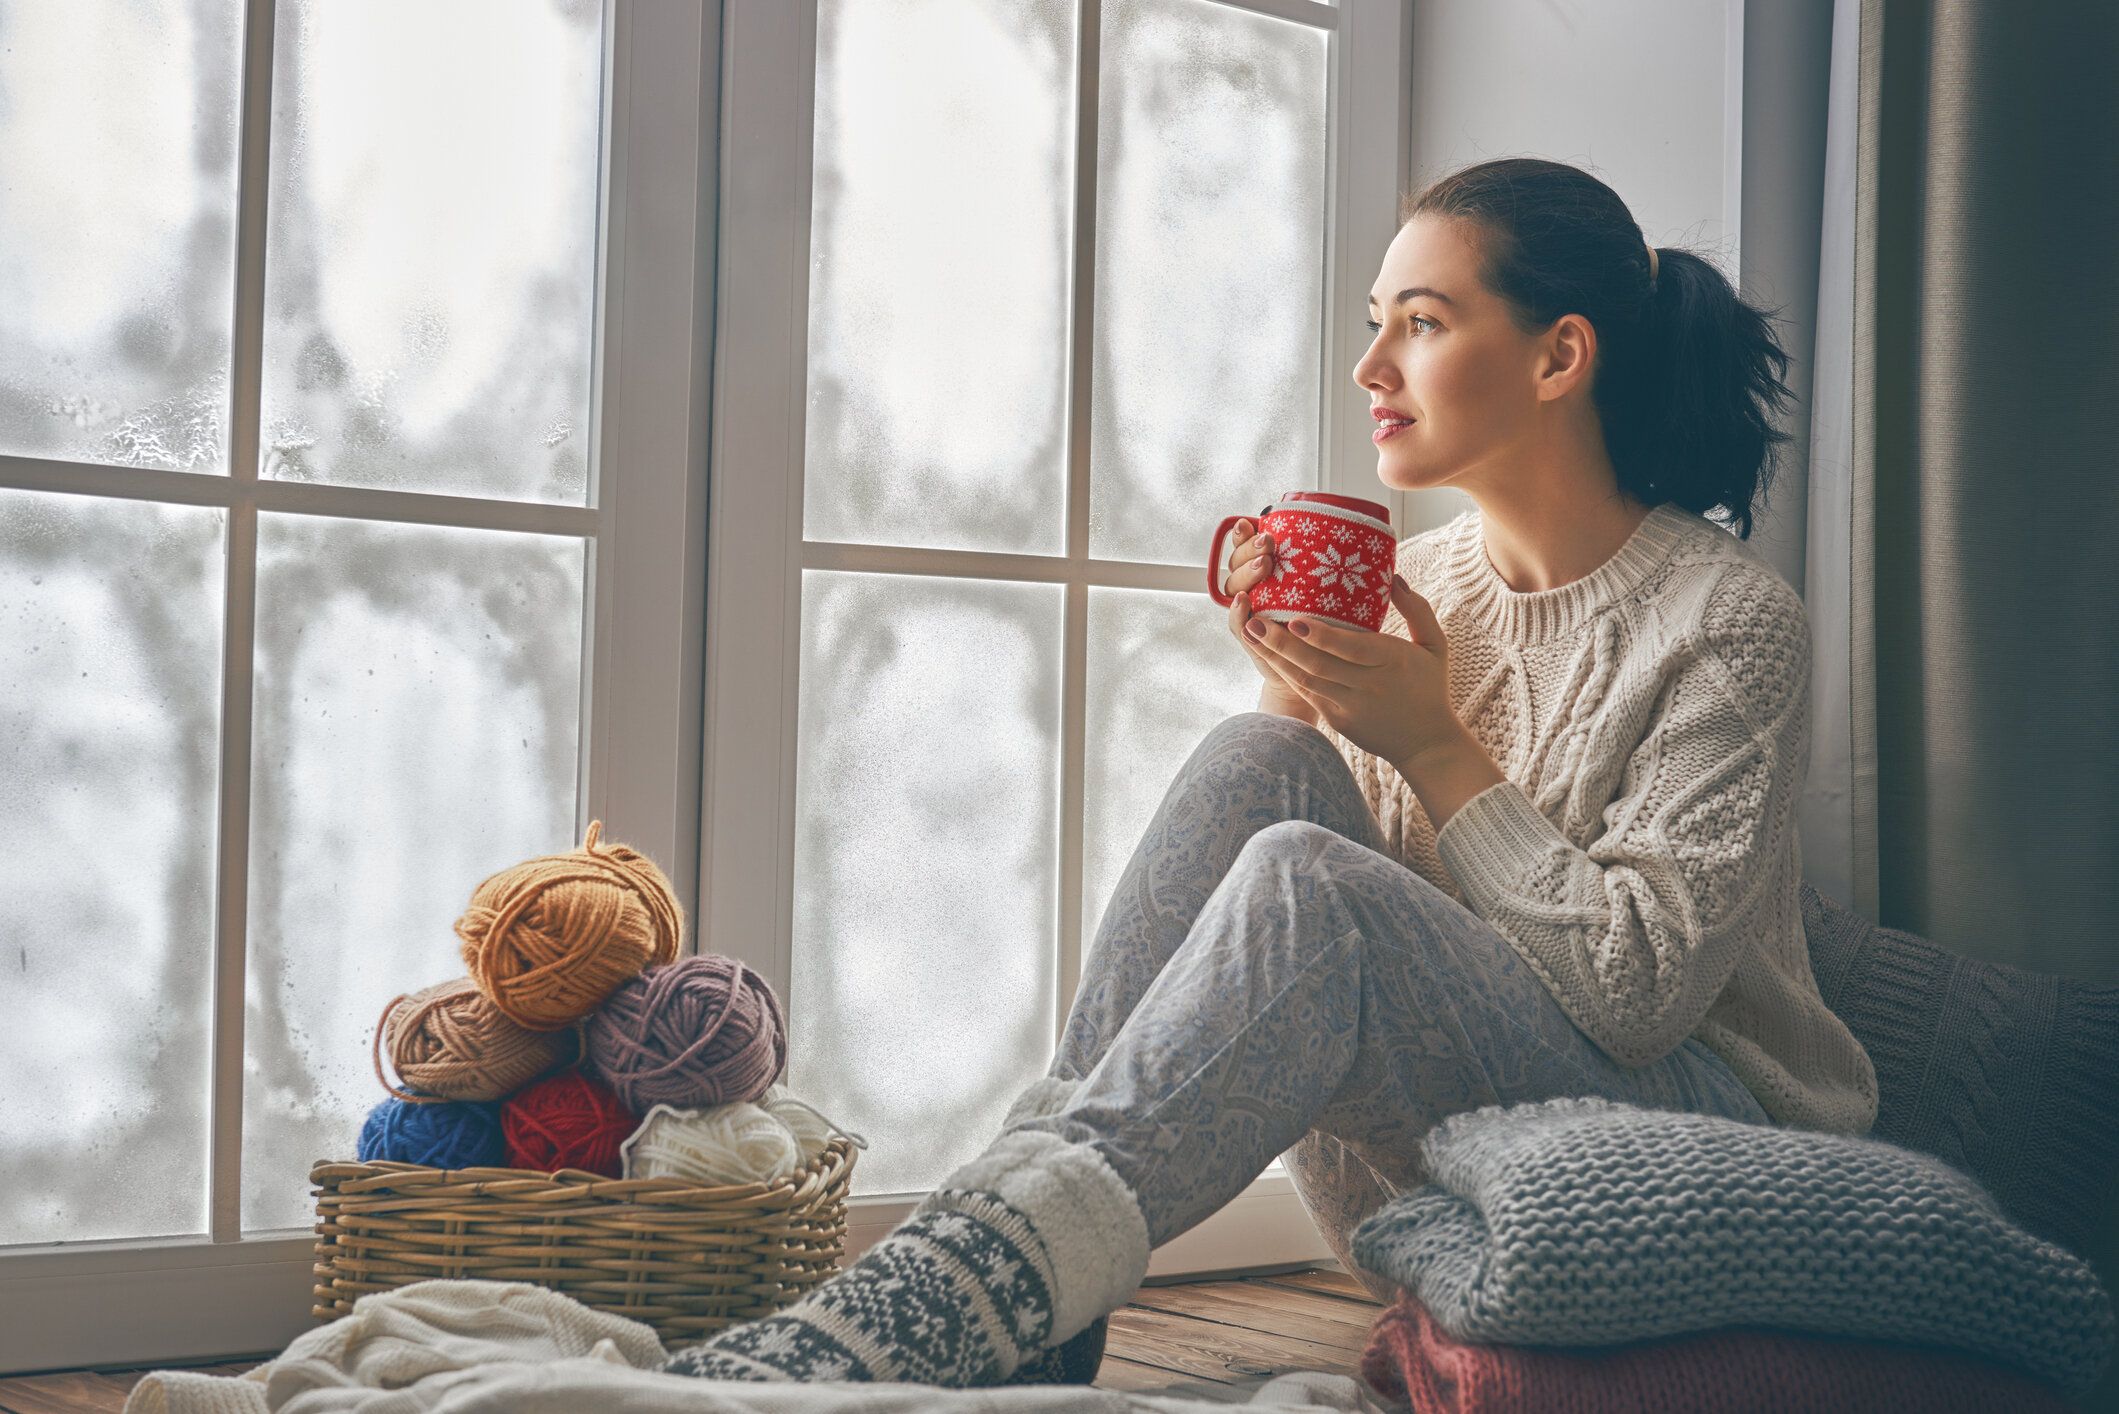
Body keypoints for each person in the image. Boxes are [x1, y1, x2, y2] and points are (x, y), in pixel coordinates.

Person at [666, 156, 1880, 1391]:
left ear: (1558, 357)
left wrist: (1433, 744)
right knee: (1263, 757)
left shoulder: (1728, 620)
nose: (1371, 368)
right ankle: (1005, 1274)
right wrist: (1294, 688)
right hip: (1448, 1156)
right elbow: (1355, 924)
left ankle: (964, 1283)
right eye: (1374, 324)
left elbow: (1638, 993)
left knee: (1311, 879)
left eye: (1422, 322)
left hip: (1701, 1151)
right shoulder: (1432, 585)